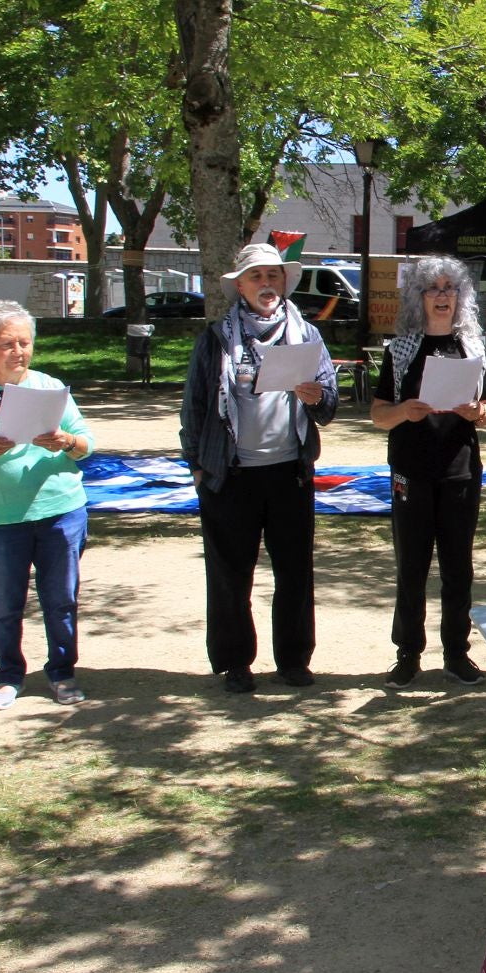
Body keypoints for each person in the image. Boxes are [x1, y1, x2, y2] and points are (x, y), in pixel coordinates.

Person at [179, 243, 338, 693]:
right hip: (230, 475)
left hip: (289, 472)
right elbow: (193, 406)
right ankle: (235, 663)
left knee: (294, 572)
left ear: (284, 281)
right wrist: (196, 465)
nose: (267, 284)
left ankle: (292, 660)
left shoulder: (307, 334)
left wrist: (315, 397)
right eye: (257, 277)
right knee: (230, 574)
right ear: (240, 285)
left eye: (274, 275)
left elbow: (329, 406)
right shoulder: (215, 338)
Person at [0, 301, 95, 709]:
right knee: (4, 603)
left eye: (25, 343)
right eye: (7, 344)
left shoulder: (49, 387)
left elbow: (86, 445)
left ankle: (62, 673)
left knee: (61, 599)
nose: (18, 352)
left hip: (60, 510)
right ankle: (9, 676)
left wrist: (65, 441)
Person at [373, 255, 486, 687]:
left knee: (458, 567)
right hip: (411, 468)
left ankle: (456, 653)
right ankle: (408, 653)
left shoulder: (474, 347)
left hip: (460, 470)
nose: (443, 295)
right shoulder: (401, 349)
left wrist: (479, 410)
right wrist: (404, 411)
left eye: (450, 288)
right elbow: (377, 415)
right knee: (411, 564)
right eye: (434, 288)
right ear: (419, 297)